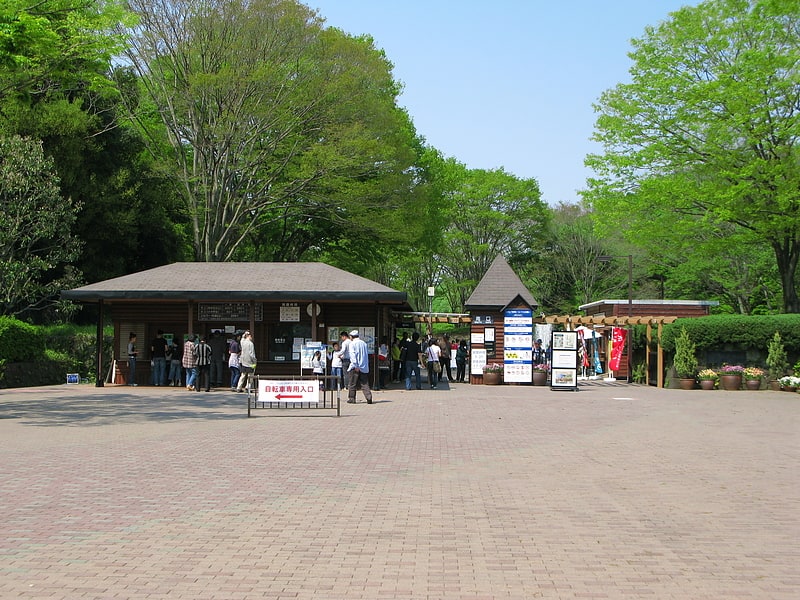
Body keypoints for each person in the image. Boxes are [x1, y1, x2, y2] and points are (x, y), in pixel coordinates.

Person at [346, 330, 373, 404]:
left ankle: (352, 398)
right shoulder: (364, 343)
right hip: (364, 366)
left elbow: (353, 355)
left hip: (355, 366)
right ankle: (369, 397)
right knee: (364, 383)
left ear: (351, 336)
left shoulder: (352, 344)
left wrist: (355, 365)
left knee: (352, 383)